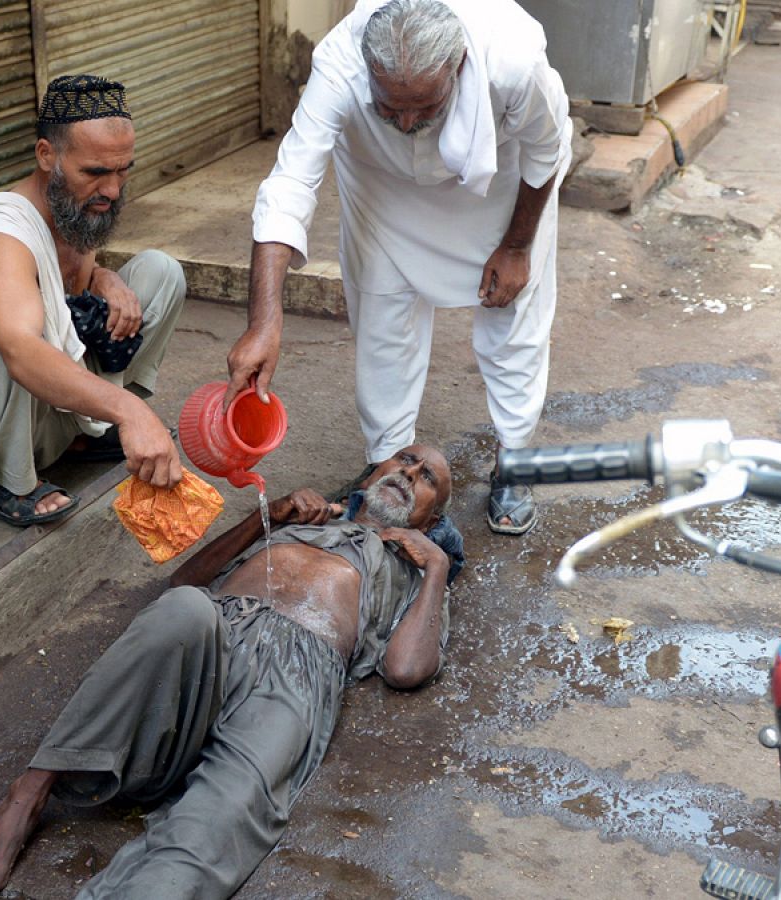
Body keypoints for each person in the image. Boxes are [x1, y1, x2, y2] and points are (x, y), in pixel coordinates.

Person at [0, 445, 457, 900]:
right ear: (370, 475)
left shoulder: (414, 567)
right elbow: (183, 581)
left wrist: (435, 570)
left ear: (432, 522)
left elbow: (406, 669)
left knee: (222, 816)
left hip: (297, 678)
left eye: (427, 478)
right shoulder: (304, 520)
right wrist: (268, 518)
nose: (410, 475)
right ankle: (28, 794)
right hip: (217, 634)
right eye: (405, 461)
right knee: (185, 607)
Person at [228, 0, 572, 536]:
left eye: (425, 107)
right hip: (381, 184)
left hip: (498, 184)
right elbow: (290, 183)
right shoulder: (339, 63)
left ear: (457, 68)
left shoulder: (513, 63)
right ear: (369, 73)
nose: (408, 122)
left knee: (514, 322)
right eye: (390, 108)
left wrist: (518, 245)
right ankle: (388, 463)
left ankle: (515, 461)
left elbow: (545, 151)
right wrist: (264, 322)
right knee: (382, 317)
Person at [0, 75, 187, 527]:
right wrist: (131, 411)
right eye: (96, 173)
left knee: (161, 272)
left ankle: (82, 439)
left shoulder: (75, 205)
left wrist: (104, 277)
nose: (114, 190)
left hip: (48, 408)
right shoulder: (2, 231)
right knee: (14, 331)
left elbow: (66, 290)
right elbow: (21, 351)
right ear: (47, 156)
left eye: (123, 171)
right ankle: (12, 478)